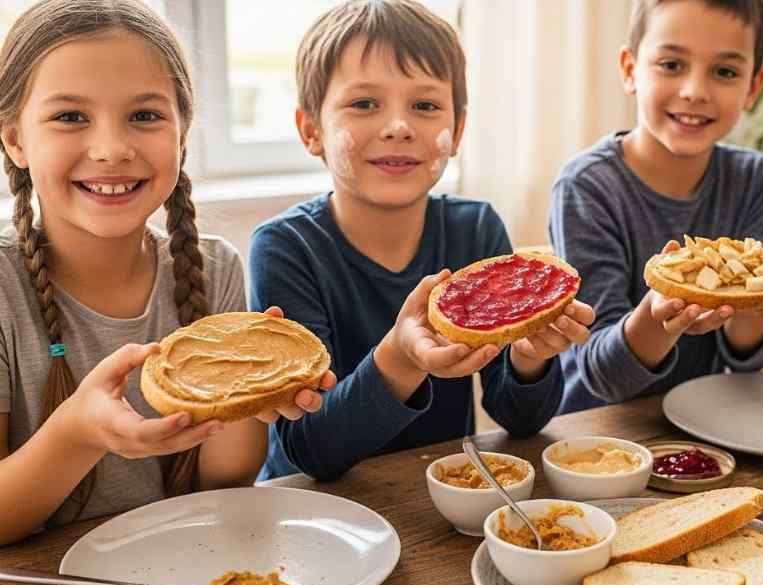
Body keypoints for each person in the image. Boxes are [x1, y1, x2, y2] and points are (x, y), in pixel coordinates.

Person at [0, 0, 333, 545]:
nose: (111, 149)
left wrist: (246, 399)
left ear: (182, 134)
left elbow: (225, 482)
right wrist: (79, 433)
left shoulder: (215, 265)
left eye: (145, 115)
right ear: (14, 138)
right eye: (70, 116)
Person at [249, 0, 595, 481]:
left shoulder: (477, 230)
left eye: (425, 105)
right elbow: (310, 452)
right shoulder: (285, 249)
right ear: (311, 129)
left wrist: (529, 358)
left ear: (457, 132)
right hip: (313, 518)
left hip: (436, 500)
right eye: (365, 104)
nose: (399, 127)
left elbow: (521, 420)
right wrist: (401, 359)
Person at [549, 0, 763, 414]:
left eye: (725, 72)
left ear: (752, 86)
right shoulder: (586, 187)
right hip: (596, 434)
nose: (695, 90)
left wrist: (755, 301)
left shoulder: (752, 179)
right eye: (672, 64)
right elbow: (603, 375)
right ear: (629, 70)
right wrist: (662, 315)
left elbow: (750, 358)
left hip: (701, 425)